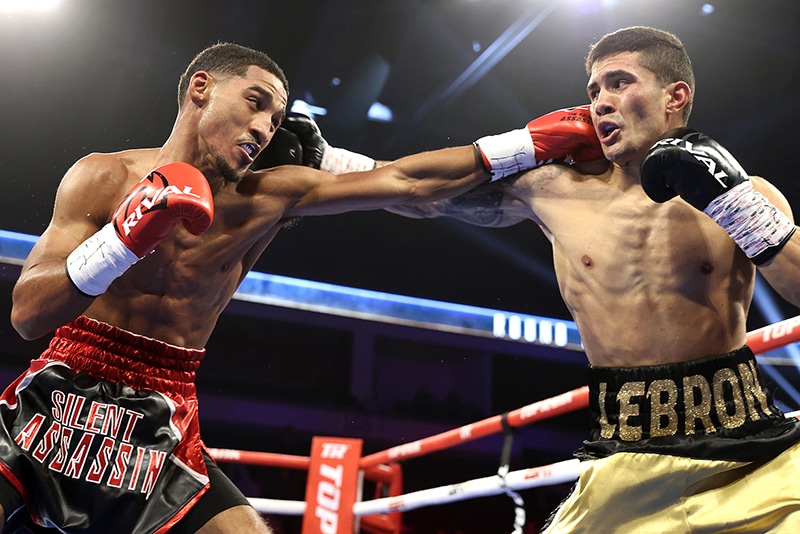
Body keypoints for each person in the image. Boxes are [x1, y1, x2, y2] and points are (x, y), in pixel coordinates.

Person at [0, 42, 601, 533]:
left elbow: (408, 184)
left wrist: (525, 143)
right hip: (54, 397)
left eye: (275, 118)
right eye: (255, 103)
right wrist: (127, 239)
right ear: (200, 88)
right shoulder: (103, 175)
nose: (264, 127)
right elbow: (28, 314)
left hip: (162, 410)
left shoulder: (270, 196)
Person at [350, 26, 800, 531]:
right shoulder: (554, 189)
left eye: (619, 82)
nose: (600, 103)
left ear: (676, 96)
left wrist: (737, 206)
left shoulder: (747, 193)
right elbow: (421, 191)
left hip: (748, 449)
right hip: (627, 456)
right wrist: (334, 164)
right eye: (593, 91)